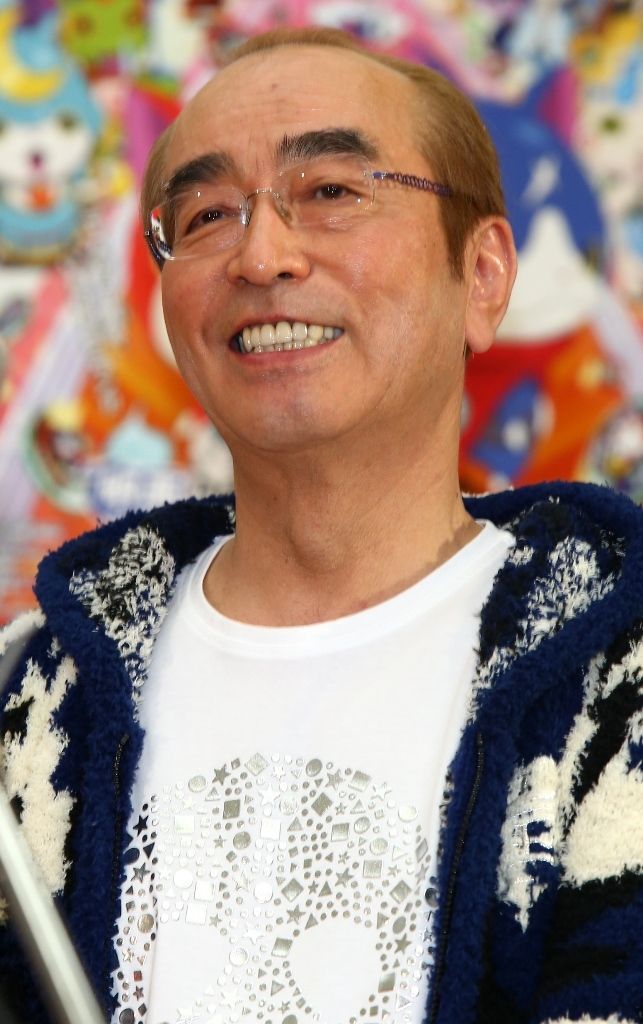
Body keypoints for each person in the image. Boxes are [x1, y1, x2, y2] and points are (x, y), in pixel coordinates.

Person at [1, 25, 642, 1024]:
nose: (261, 255)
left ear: (481, 275)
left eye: (333, 190)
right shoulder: (38, 693)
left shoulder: (616, 678)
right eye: (205, 215)